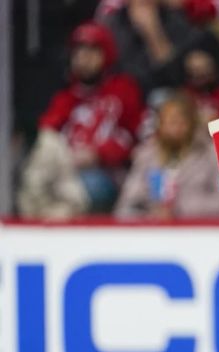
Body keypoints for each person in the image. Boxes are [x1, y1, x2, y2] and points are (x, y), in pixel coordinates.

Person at [18, 21, 143, 219]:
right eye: (79, 52)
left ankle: (57, 221)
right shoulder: (66, 97)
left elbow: (135, 138)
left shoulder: (122, 90)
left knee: (87, 186)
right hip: (65, 170)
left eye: (92, 52)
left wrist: (98, 153)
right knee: (39, 164)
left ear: (106, 55)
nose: (83, 58)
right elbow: (47, 134)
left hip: (107, 172)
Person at [114, 91, 219, 219]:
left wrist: (179, 208)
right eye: (170, 121)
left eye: (181, 121)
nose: (176, 128)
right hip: (152, 231)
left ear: (192, 124)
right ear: (160, 124)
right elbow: (126, 205)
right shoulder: (146, 156)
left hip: (198, 231)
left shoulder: (212, 153)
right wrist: (149, 213)